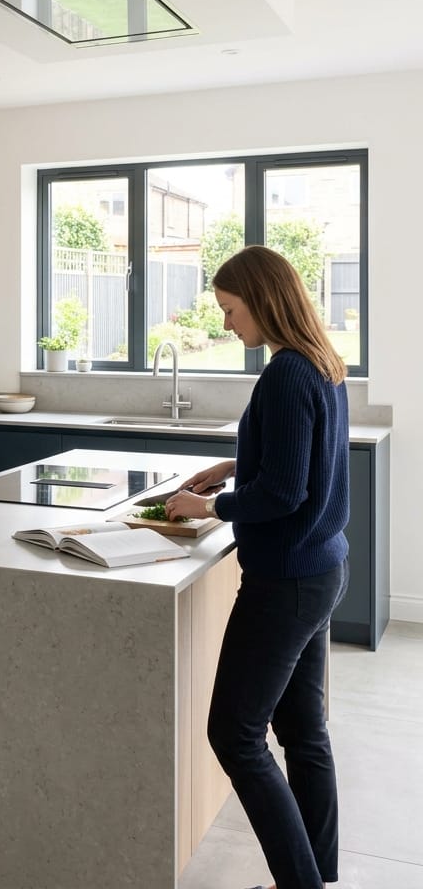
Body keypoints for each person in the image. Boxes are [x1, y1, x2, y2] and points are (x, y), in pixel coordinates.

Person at [164, 245, 350, 889]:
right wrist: (232, 465)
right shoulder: (321, 363)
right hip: (321, 569)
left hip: (286, 582)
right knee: (303, 732)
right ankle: (318, 876)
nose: (226, 325)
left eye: (230, 309)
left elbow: (286, 493)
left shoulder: (286, 374)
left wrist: (211, 504)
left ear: (262, 300)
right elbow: (298, 465)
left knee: (235, 736)